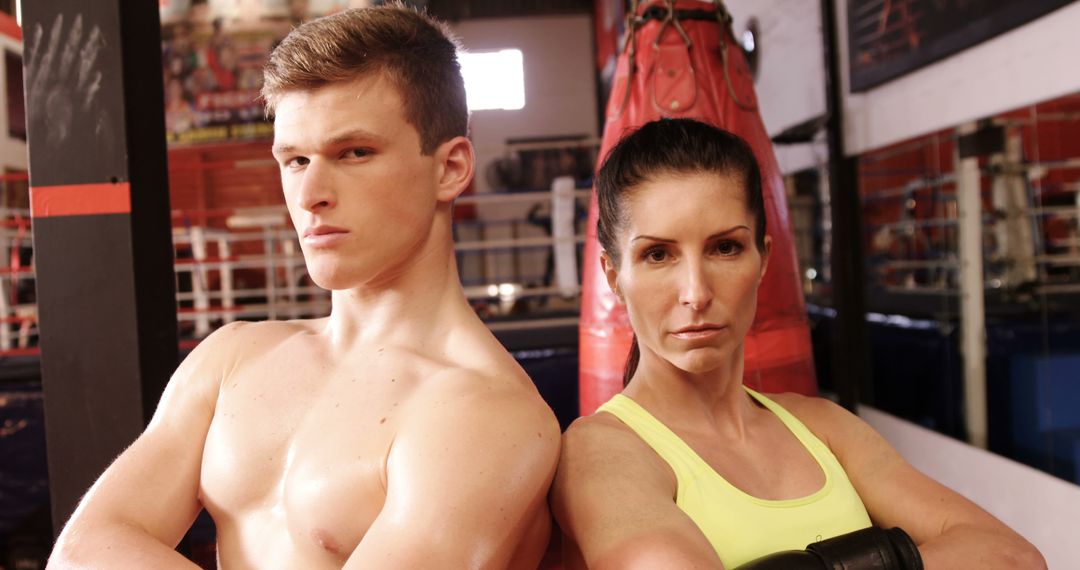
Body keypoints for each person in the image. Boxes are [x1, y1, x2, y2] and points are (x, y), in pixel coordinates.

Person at [49, 5, 560, 568]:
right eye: (294, 159)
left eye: (354, 153)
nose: (311, 193)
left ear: (451, 168)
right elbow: (81, 552)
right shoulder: (231, 359)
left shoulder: (485, 414)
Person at [550, 118, 1045, 569]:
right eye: (658, 255)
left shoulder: (823, 427)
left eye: (726, 247)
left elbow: (1013, 557)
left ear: (764, 259)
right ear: (613, 277)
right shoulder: (601, 452)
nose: (695, 294)